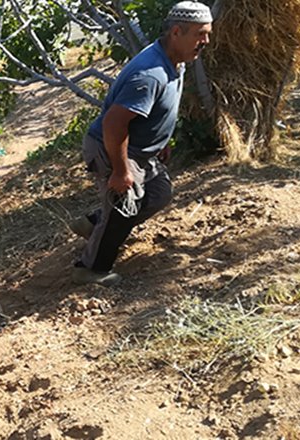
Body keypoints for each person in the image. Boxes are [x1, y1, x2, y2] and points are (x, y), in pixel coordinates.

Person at [70, 1, 213, 286]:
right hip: (112, 145)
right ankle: (91, 268)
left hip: (139, 147)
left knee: (159, 194)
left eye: (207, 33)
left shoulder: (176, 60)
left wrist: (161, 138)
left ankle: (95, 223)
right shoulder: (150, 74)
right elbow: (114, 124)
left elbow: (156, 110)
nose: (205, 41)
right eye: (200, 34)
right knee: (125, 207)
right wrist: (120, 171)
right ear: (176, 32)